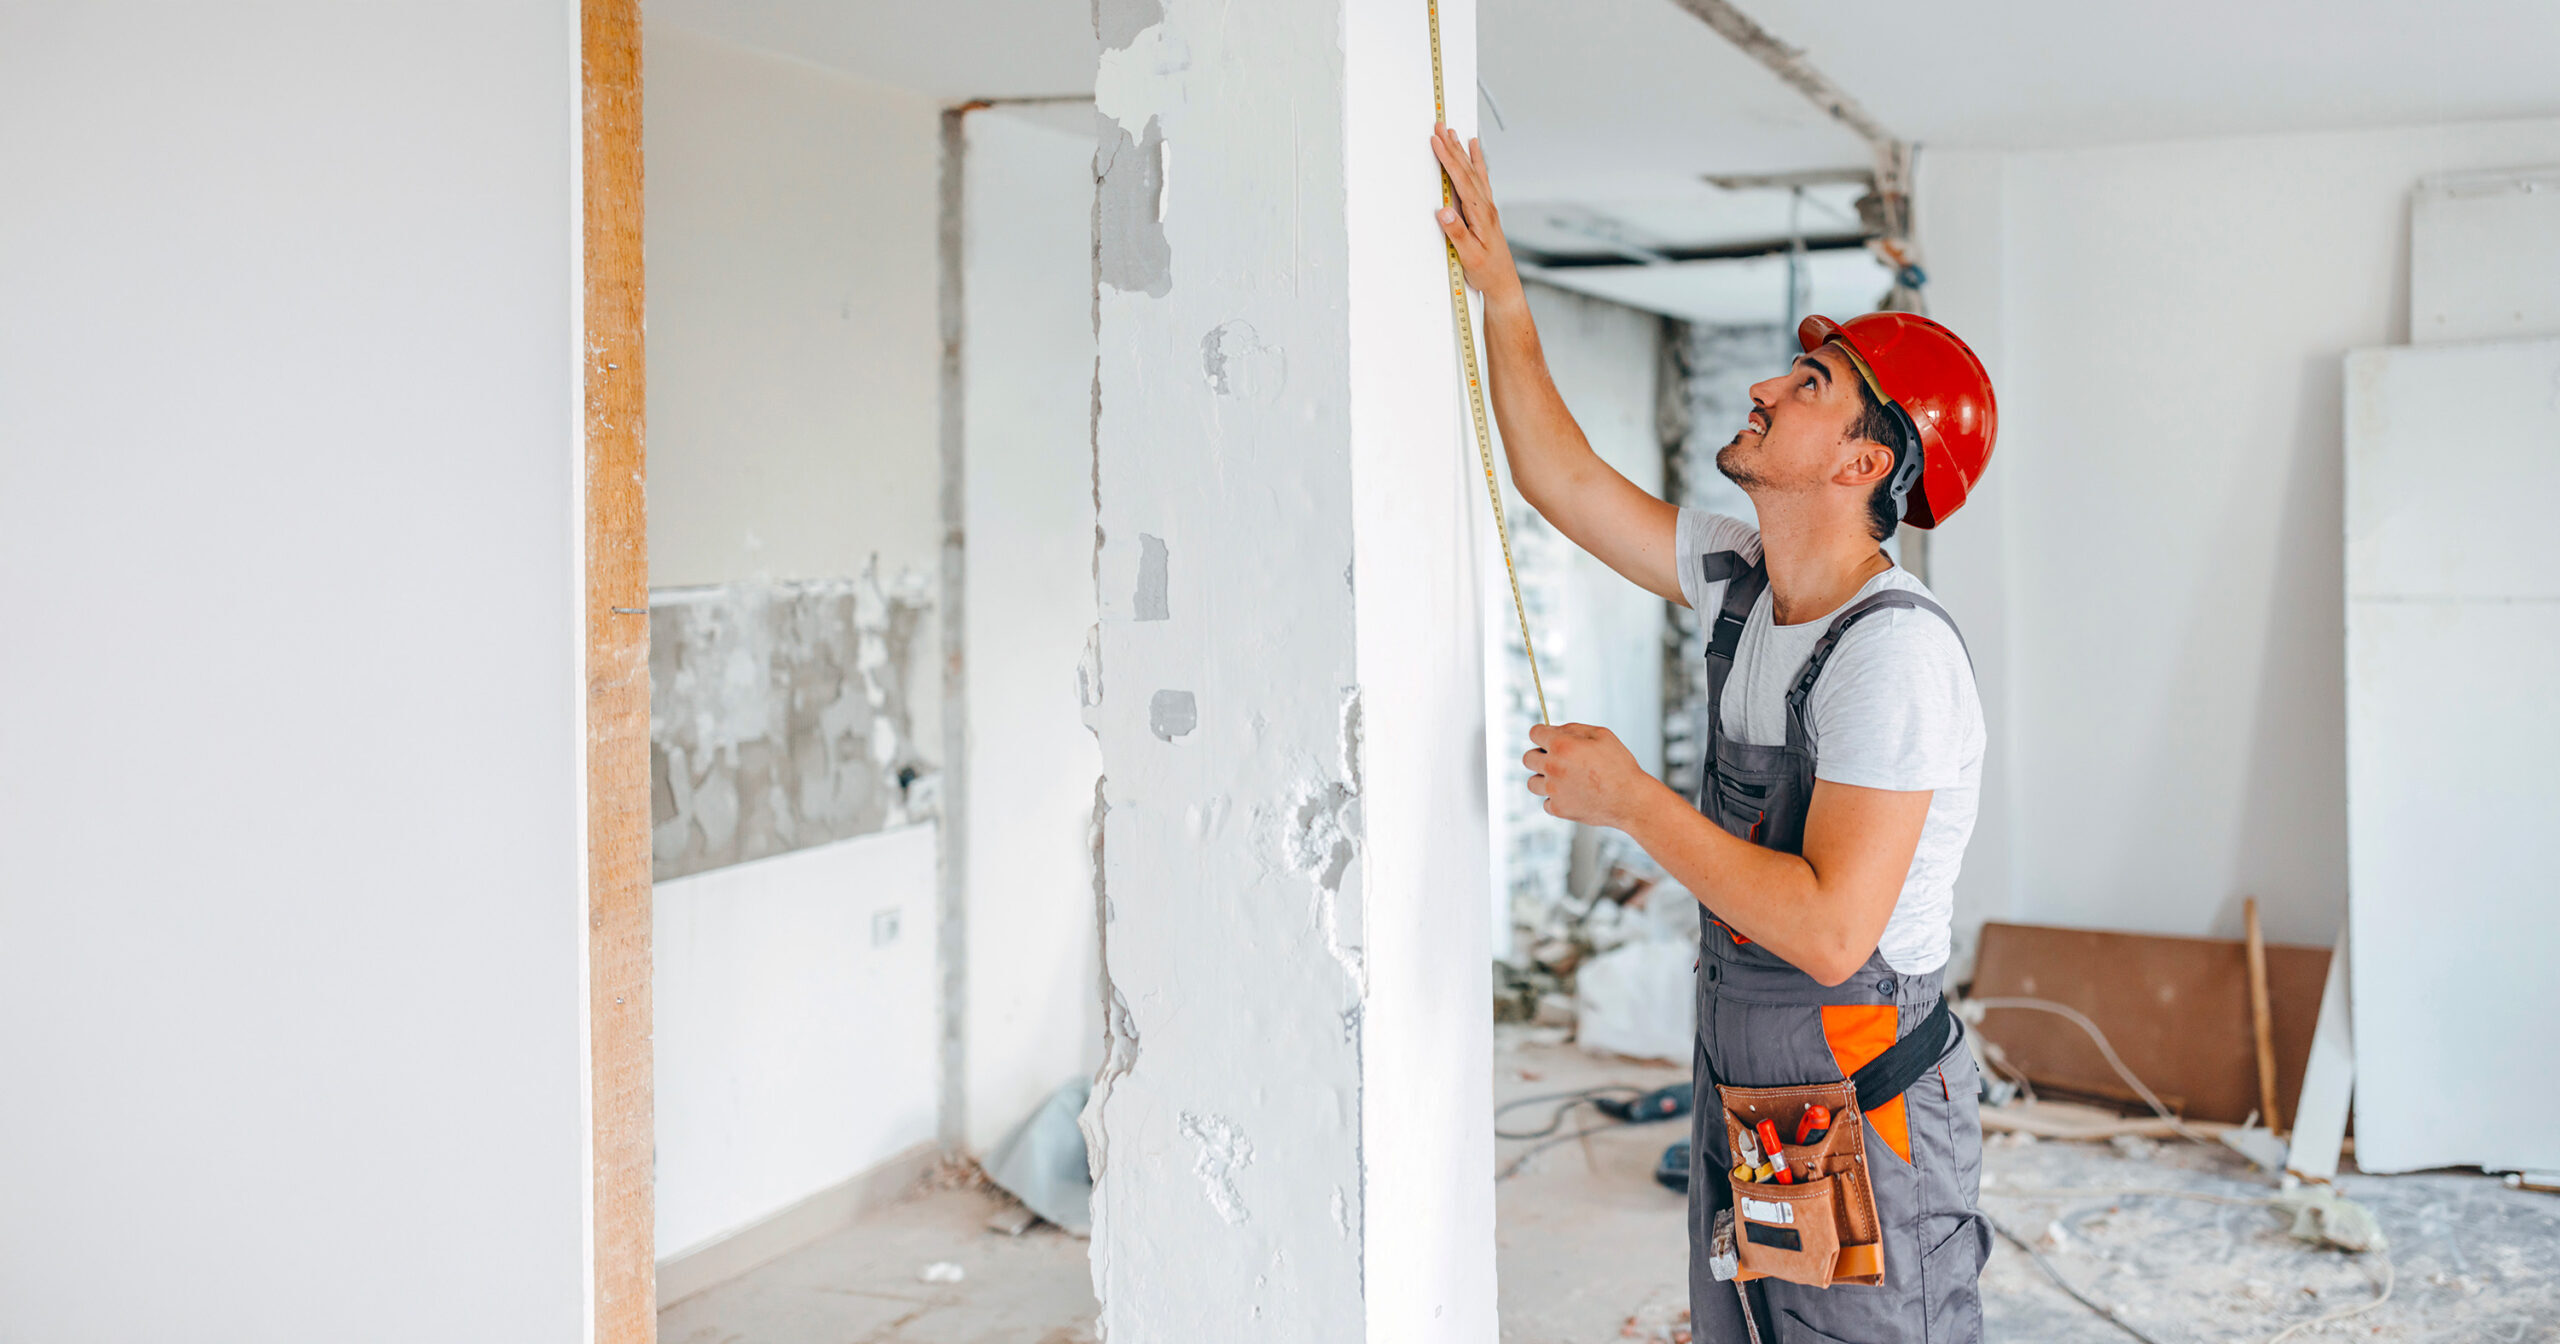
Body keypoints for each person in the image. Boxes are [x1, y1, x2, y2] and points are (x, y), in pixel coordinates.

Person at [1431, 124, 1998, 1343]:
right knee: (1757, 1328)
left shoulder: (1889, 653)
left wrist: (1632, 801)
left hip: (1857, 1084)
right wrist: (1504, 299)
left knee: (1858, 1332)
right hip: (1760, 1078)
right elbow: (1565, 484)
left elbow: (1833, 929)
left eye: (1808, 389)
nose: (1763, 385)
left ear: (1862, 460)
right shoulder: (1747, 576)